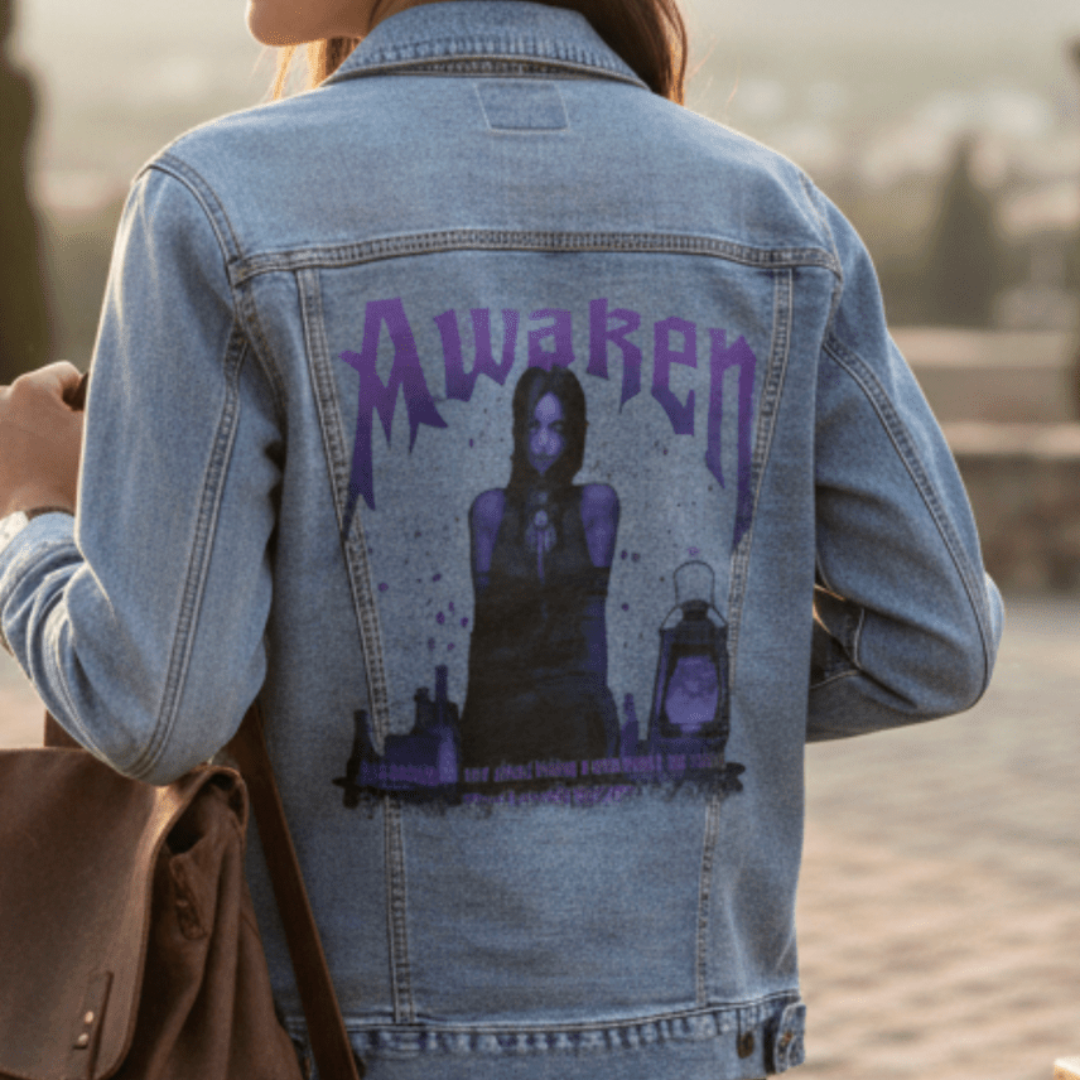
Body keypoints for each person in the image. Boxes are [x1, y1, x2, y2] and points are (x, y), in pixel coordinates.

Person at [0, 0, 1004, 1077]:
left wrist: (35, 519)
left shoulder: (214, 208)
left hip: (341, 1038)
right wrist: (697, 710)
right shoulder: (781, 219)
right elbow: (932, 638)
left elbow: (156, 705)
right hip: (707, 1042)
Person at [463, 366, 620, 768]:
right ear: (518, 428)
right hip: (500, 706)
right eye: (533, 426)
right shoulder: (490, 510)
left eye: (557, 428)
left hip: (574, 707)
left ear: (575, 434)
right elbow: (485, 631)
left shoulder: (596, 505)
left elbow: (593, 620)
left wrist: (596, 713)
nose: (543, 444)